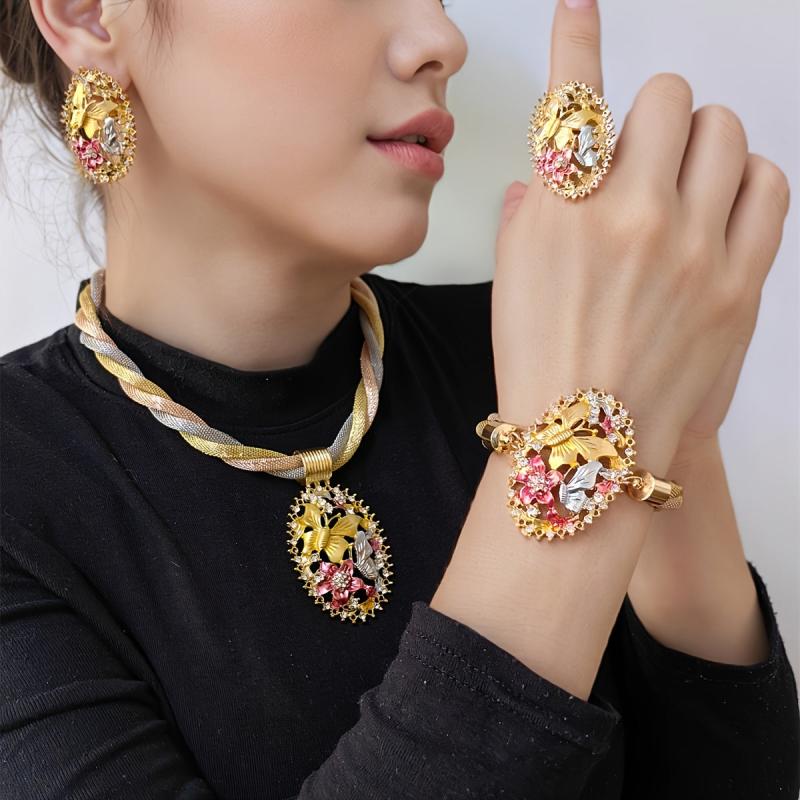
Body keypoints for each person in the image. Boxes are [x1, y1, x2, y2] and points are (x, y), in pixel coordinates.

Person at [1, 0, 798, 798]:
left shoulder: (539, 349)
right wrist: (570, 452)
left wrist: (672, 431)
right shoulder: (23, 486)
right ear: (89, 15)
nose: (442, 41)